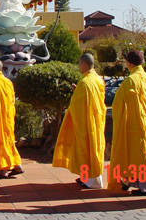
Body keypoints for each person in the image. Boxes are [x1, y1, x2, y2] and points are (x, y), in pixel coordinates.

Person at [53, 53, 106, 189]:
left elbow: (77, 105)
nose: (79, 67)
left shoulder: (85, 83)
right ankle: (89, 177)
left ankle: (91, 180)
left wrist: (76, 93)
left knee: (84, 150)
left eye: (80, 64)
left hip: (86, 122)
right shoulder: (98, 80)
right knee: (95, 149)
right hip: (97, 121)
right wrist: (78, 91)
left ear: (84, 64)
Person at [108, 50, 146, 195]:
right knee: (139, 154)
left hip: (133, 124)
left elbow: (118, 105)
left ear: (129, 64)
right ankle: (130, 180)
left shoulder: (130, 81)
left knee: (138, 156)